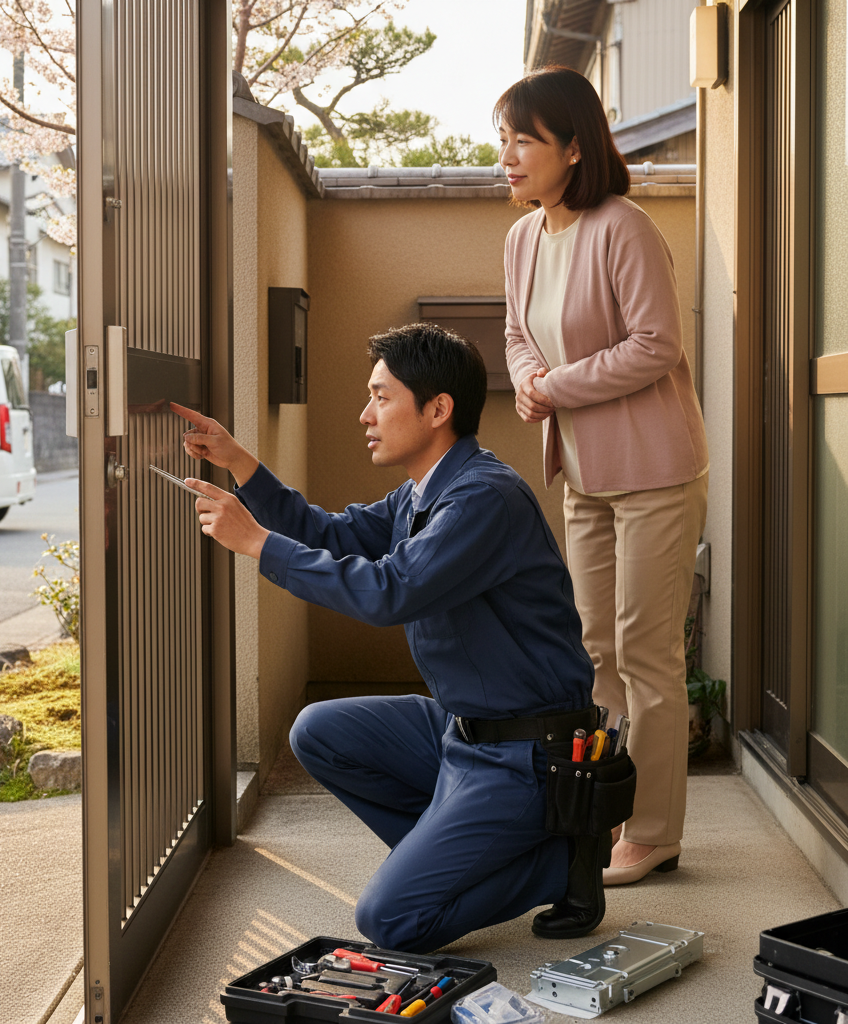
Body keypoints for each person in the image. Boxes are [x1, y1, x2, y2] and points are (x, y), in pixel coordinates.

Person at [171, 322, 604, 954]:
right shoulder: (423, 492)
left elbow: (388, 591)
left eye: (380, 396)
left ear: (437, 410)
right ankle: (454, 854)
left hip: (527, 756)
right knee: (316, 731)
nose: (365, 413)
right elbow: (333, 535)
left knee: (390, 920)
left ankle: (563, 863)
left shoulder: (482, 500)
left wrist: (256, 542)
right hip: (462, 731)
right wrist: (238, 461)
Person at [497, 66, 709, 885]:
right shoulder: (523, 237)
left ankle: (654, 832)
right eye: (504, 139)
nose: (509, 156)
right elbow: (519, 332)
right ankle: (610, 808)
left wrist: (553, 386)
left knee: (647, 651)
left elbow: (655, 343)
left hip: (654, 470)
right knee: (596, 649)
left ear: (574, 146)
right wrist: (525, 376)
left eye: (526, 140)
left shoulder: (624, 226)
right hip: (581, 472)